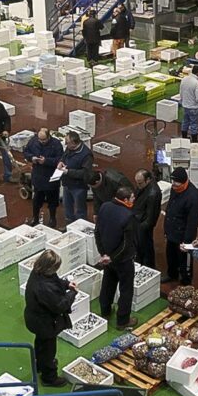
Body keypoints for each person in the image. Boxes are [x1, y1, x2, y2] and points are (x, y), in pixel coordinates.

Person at [24, 250, 79, 387]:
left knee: (41, 342)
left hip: (35, 319)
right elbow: (59, 306)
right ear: (48, 267)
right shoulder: (44, 288)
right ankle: (49, 378)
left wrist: (66, 284)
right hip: (45, 323)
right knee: (49, 349)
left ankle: (39, 365)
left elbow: (54, 279)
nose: (56, 271)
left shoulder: (38, 272)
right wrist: (72, 293)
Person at [95, 184, 138, 330]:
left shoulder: (104, 207)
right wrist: (113, 257)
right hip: (123, 260)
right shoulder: (127, 216)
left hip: (107, 257)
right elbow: (126, 244)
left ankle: (105, 311)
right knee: (126, 289)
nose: (134, 199)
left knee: (108, 283)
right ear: (125, 199)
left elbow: (97, 232)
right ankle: (123, 320)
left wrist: (104, 254)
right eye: (132, 197)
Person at [163, 168, 198, 287]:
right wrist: (166, 230)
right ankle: (172, 274)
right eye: (172, 181)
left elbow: (192, 222)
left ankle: (186, 281)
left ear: (183, 181)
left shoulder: (193, 197)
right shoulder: (175, 189)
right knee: (171, 255)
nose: (173, 184)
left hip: (183, 235)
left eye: (176, 182)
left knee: (185, 260)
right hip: (172, 232)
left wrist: (187, 241)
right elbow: (170, 208)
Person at [25, 128, 64, 227]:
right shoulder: (33, 141)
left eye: (44, 140)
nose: (42, 142)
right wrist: (31, 158)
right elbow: (26, 152)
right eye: (40, 140)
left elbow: (60, 160)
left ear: (49, 137)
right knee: (36, 200)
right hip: (38, 177)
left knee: (52, 201)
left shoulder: (56, 144)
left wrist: (46, 161)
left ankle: (52, 218)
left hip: (51, 178)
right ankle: (35, 218)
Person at [59, 131, 94, 222]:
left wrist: (68, 172)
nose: (66, 144)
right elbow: (64, 156)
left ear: (74, 143)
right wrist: (61, 162)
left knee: (80, 209)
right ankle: (69, 225)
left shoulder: (86, 155)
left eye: (67, 142)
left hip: (79, 186)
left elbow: (85, 173)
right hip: (67, 183)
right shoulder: (69, 147)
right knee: (67, 206)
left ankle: (81, 226)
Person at [132, 169, 162, 268]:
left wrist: (142, 227)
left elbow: (151, 215)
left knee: (146, 246)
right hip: (138, 219)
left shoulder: (153, 193)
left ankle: (148, 266)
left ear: (148, 180)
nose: (138, 186)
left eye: (140, 183)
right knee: (140, 246)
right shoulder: (143, 187)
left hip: (143, 223)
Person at [179, 65, 198, 143]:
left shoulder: (184, 79)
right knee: (194, 124)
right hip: (194, 107)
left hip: (185, 105)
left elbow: (181, 92)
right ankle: (194, 140)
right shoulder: (196, 83)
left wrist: (183, 100)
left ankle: (184, 138)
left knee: (185, 121)